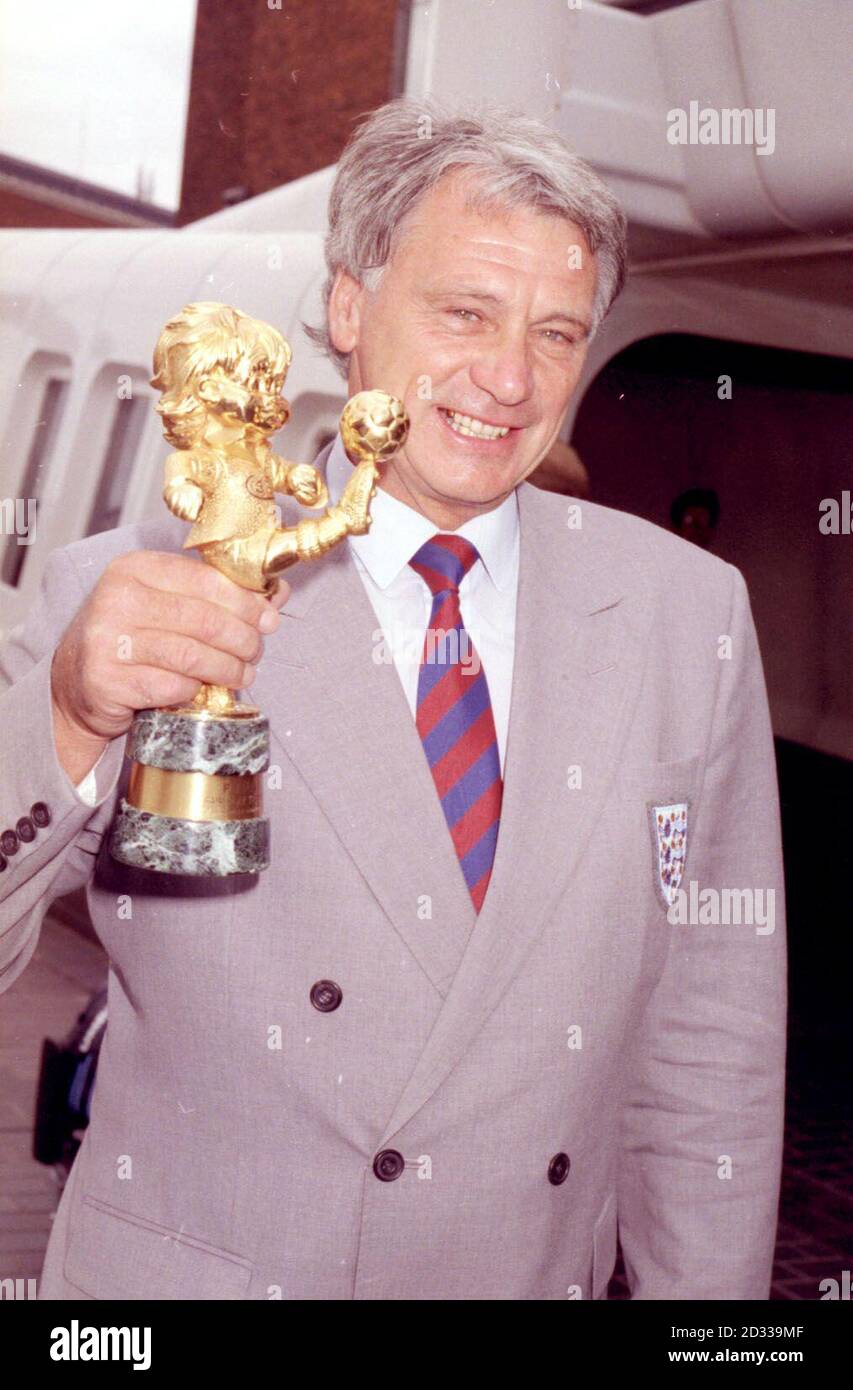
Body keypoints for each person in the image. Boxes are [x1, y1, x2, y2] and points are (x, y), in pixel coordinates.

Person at [0, 97, 785, 1301]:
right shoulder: (143, 585)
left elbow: (709, 1044)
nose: (512, 378)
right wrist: (61, 723)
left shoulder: (689, 618)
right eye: (465, 311)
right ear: (348, 308)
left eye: (559, 332)